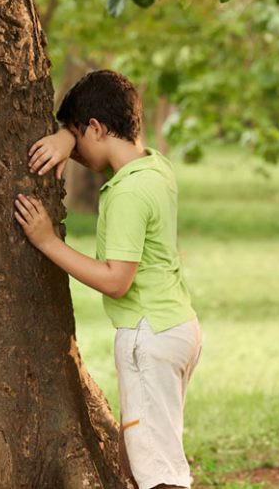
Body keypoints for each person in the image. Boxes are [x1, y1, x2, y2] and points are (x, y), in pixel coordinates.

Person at [13, 70, 202, 489]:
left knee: (158, 473)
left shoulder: (127, 194)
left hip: (147, 333)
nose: (75, 154)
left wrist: (47, 242)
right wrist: (68, 136)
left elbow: (117, 281)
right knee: (140, 458)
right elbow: (100, 138)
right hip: (177, 326)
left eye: (78, 141)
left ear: (95, 128)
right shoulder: (156, 168)